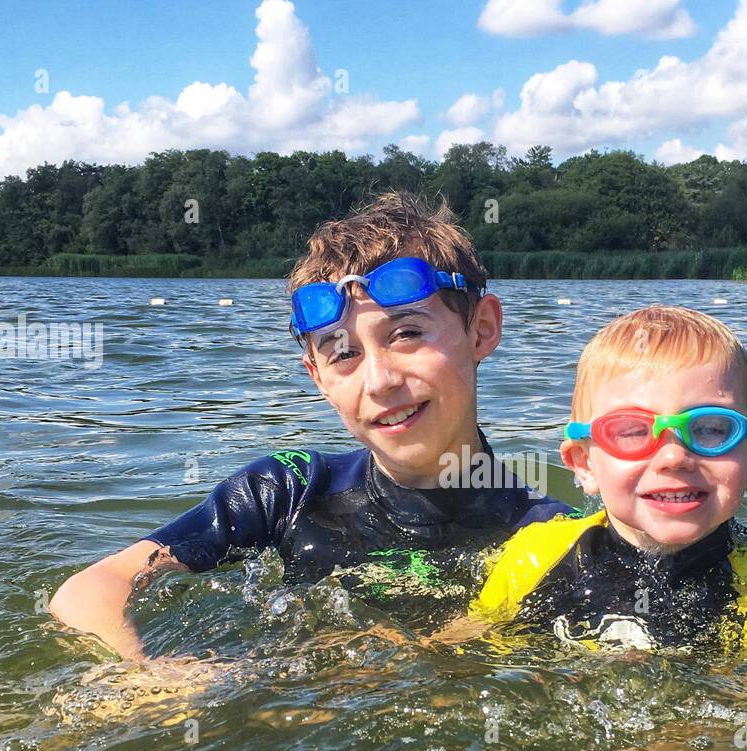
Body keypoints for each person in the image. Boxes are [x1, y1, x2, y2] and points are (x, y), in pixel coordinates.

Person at [49, 192, 569, 659]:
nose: (380, 381)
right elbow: (93, 588)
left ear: (482, 330)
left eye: (407, 333)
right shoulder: (287, 492)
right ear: (317, 376)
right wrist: (146, 678)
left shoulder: (554, 538)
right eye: (343, 354)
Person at [467, 305, 747, 651]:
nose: (674, 457)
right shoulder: (533, 557)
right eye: (632, 431)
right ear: (584, 464)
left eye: (710, 428)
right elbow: (467, 642)